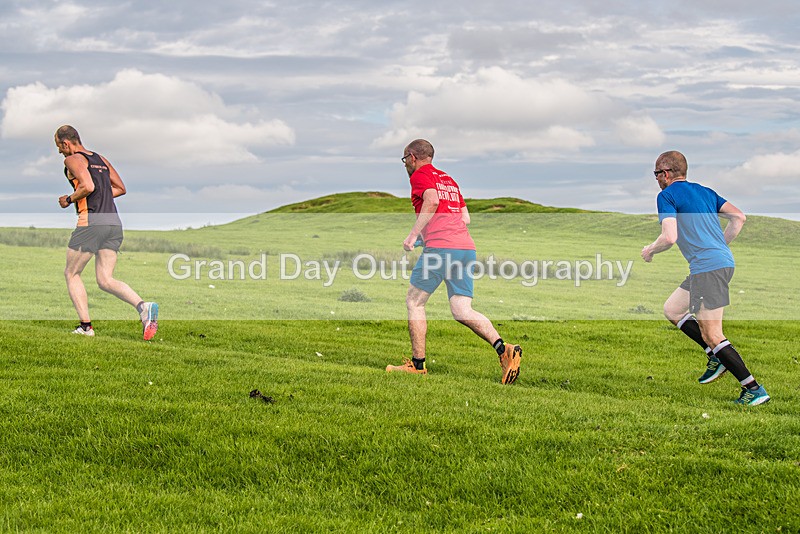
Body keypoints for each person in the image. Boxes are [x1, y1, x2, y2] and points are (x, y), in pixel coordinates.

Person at [385, 139, 522, 384]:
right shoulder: (448, 180)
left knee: (415, 302)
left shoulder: (420, 175)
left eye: (405, 159)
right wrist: (427, 236)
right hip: (465, 248)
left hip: (442, 249)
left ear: (412, 157)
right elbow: (465, 218)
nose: (405, 164)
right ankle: (504, 350)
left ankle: (417, 366)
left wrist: (413, 235)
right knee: (462, 310)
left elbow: (432, 201)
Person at [641, 150, 769, 405]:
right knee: (673, 310)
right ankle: (715, 356)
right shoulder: (706, 192)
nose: (656, 179)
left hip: (707, 269)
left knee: (713, 334)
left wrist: (650, 250)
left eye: (656, 174)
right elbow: (739, 217)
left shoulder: (667, 195)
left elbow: (669, 237)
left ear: (665, 173)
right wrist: (719, 245)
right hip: (717, 264)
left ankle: (753, 389)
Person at [55, 125, 158, 340]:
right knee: (105, 279)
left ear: (66, 143)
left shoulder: (72, 159)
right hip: (113, 223)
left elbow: (88, 186)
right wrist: (99, 194)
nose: (59, 151)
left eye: (59, 146)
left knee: (71, 273)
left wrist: (69, 199)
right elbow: (120, 188)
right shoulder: (101, 159)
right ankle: (143, 307)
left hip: (92, 222)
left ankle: (86, 328)